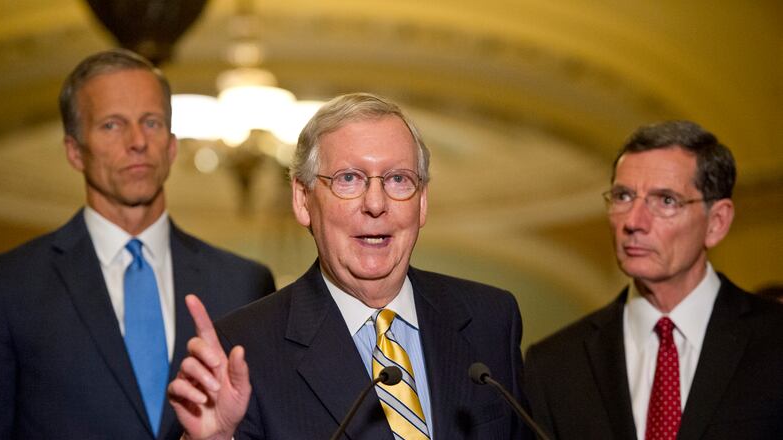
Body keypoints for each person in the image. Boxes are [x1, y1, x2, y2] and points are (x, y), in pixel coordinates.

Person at [166, 93, 528, 439]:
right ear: (303, 200)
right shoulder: (243, 347)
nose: (375, 203)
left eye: (398, 179)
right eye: (348, 179)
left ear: (422, 203)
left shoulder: (491, 319)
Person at [0, 49, 275, 440]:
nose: (138, 141)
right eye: (112, 125)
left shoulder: (244, 283)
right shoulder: (8, 286)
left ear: (172, 146)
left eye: (152, 122)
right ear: (75, 151)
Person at [524, 120, 783, 439]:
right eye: (623, 196)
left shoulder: (774, 340)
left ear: (716, 222)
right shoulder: (555, 364)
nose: (634, 221)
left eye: (666, 201)